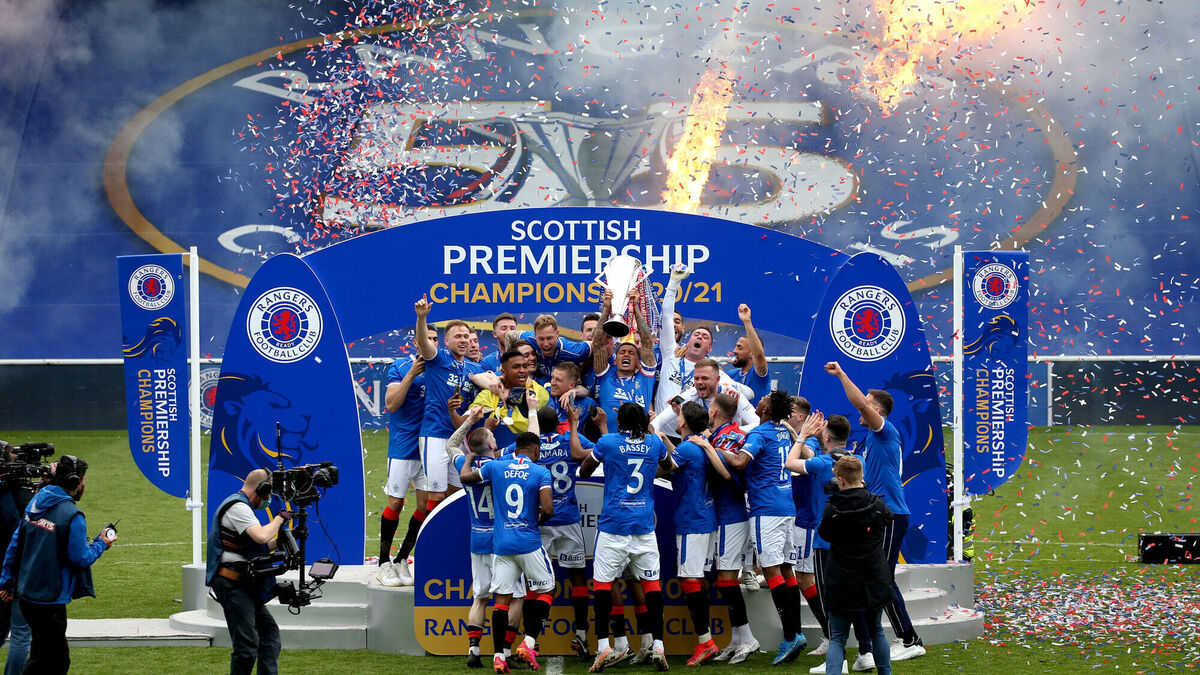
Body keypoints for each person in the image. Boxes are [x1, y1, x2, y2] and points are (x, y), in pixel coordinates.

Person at [825, 361, 926, 661]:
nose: (861, 409)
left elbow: (858, 402)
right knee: (871, 576)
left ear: (877, 411)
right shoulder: (871, 439)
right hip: (877, 513)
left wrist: (842, 375)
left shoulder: (885, 431)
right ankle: (868, 647)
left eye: (868, 405)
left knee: (881, 577)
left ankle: (908, 640)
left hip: (890, 513)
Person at [580, 403, 673, 673]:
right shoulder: (654, 443)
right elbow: (668, 466)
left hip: (614, 525)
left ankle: (603, 646)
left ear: (619, 421)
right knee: (651, 586)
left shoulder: (608, 442)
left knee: (602, 585)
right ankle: (658, 645)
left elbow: (585, 471)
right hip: (643, 525)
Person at [0, 456, 112, 675]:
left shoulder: (36, 502)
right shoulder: (72, 515)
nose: (84, 485)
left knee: (42, 655)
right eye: (83, 480)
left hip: (26, 594)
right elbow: (81, 558)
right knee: (56, 661)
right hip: (50, 601)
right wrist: (101, 544)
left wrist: (7, 582)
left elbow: (15, 544)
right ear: (74, 482)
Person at [460, 432, 555, 674]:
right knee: (547, 589)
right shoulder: (540, 472)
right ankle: (528, 643)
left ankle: (498, 656)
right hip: (528, 543)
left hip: (501, 545)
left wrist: (468, 460)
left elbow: (465, 478)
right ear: (536, 451)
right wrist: (536, 521)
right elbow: (548, 509)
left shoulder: (496, 467)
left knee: (501, 600)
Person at [787, 413, 876, 674]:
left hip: (826, 541)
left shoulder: (820, 463)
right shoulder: (859, 462)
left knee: (831, 600)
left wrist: (803, 435)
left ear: (825, 437)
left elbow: (789, 462)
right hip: (854, 540)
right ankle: (865, 652)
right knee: (854, 596)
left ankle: (838, 658)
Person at [722, 391, 806, 665]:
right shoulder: (784, 432)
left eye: (764, 399)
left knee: (771, 570)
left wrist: (718, 450)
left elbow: (739, 462)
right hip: (786, 507)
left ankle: (790, 636)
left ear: (766, 410)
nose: (760, 400)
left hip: (766, 509)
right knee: (786, 569)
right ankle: (797, 633)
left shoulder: (759, 434)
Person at [413, 296, 501, 522]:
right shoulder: (438, 358)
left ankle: (453, 538)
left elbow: (489, 379)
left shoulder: (472, 367)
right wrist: (422, 318)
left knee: (456, 493)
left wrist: (494, 384)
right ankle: (434, 540)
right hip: (435, 435)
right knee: (436, 495)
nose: (463, 340)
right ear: (446, 341)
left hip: (458, 437)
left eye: (465, 336)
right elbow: (424, 343)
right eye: (457, 336)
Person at [203, 469, 291, 675]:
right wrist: (280, 518)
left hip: (243, 583)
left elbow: (257, 546)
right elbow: (261, 536)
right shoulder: (238, 507)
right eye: (269, 492)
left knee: (269, 636)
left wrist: (283, 540)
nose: (269, 498)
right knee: (246, 647)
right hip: (232, 583)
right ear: (261, 488)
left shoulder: (242, 507)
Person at [663, 402, 728, 667]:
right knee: (697, 579)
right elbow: (680, 458)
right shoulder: (695, 445)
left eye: (679, 414)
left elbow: (664, 468)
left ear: (683, 422)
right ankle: (706, 639)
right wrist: (665, 441)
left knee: (690, 580)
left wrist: (651, 447)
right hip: (705, 517)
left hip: (693, 519)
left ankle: (705, 642)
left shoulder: (688, 448)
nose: (676, 417)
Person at [818, 456, 894, 675]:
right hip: (873, 577)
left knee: (837, 638)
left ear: (841, 480)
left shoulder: (832, 509)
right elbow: (887, 520)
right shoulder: (878, 505)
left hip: (841, 579)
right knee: (876, 631)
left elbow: (824, 534)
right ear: (861, 477)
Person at [377, 329, 436, 587]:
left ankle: (402, 559)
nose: (430, 342)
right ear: (416, 342)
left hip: (431, 446)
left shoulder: (441, 367)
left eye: (435, 339)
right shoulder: (400, 366)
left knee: (425, 505)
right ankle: (383, 563)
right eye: (427, 338)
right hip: (403, 446)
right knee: (396, 502)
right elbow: (391, 404)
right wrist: (412, 373)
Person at [705, 394, 760, 664]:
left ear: (715, 411)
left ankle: (748, 638)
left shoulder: (727, 437)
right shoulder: (728, 434)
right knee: (724, 579)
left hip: (731, 513)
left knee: (727, 579)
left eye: (709, 408)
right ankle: (736, 640)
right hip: (727, 512)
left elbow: (731, 471)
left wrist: (708, 447)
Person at [654, 265, 752, 412]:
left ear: (710, 348)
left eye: (705, 337)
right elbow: (666, 316)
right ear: (688, 341)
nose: (699, 336)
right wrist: (674, 282)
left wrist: (719, 385)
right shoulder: (671, 353)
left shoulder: (712, 372)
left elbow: (749, 393)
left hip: (690, 425)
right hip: (660, 424)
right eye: (696, 334)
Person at [650, 358, 759, 441]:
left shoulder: (732, 394)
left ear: (717, 379)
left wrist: (725, 432)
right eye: (696, 378)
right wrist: (653, 438)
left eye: (705, 378)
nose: (699, 382)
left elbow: (757, 423)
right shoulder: (689, 394)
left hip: (730, 449)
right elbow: (659, 420)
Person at [591, 290, 657, 420]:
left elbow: (647, 342)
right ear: (615, 360)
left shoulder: (645, 379)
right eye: (622, 352)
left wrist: (635, 307)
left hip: (639, 433)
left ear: (638, 362)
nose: (626, 354)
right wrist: (607, 309)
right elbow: (597, 343)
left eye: (631, 353)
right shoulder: (605, 375)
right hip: (609, 434)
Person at [468, 350, 550, 448]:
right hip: (495, 455)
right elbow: (464, 425)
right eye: (516, 367)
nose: (522, 370)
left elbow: (549, 431)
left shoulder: (539, 392)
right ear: (503, 372)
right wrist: (486, 429)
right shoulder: (488, 394)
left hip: (528, 453)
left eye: (524, 366)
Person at [0, 443, 33, 674]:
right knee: (20, 634)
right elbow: (15, 538)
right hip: (11, 576)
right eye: (13, 454)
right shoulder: (11, 500)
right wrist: (9, 583)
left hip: (8, 574)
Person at [520, 314, 591, 386]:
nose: (546, 344)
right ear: (535, 336)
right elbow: (513, 334)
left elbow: (594, 345)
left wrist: (582, 370)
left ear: (557, 334)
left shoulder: (574, 351)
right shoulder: (529, 338)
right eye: (541, 339)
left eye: (549, 338)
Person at [725, 303, 772, 404]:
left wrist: (747, 321)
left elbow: (758, 355)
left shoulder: (758, 376)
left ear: (752, 353)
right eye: (736, 346)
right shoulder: (731, 375)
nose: (734, 351)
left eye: (740, 348)